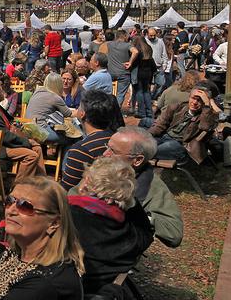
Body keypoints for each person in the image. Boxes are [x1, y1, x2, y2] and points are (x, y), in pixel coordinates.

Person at [69, 158, 153, 295]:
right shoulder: (131, 236)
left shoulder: (64, 215)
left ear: (87, 183)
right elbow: (146, 231)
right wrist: (127, 199)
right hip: (106, 291)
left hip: (67, 290)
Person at [101, 126, 183, 248]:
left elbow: (174, 234)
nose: (105, 154)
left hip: (111, 251)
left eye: (113, 151)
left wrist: (135, 212)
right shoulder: (105, 169)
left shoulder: (152, 187)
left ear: (137, 160)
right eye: (107, 147)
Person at [0, 80, 45, 182]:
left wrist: (15, 125)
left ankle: (40, 182)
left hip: (5, 142)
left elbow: (9, 122)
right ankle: (19, 188)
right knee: (31, 156)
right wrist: (27, 141)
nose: (3, 93)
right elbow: (6, 136)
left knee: (37, 147)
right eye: (0, 91)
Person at [60, 90, 119, 191]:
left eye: (79, 107)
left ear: (82, 114)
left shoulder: (81, 149)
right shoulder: (116, 140)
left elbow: (67, 188)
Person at [147, 85, 219, 163]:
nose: (194, 102)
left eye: (199, 100)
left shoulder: (206, 115)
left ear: (205, 102)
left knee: (151, 151)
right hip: (165, 137)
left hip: (180, 145)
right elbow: (160, 124)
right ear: (189, 97)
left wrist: (207, 106)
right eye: (193, 98)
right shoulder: (178, 107)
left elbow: (205, 127)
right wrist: (147, 136)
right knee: (143, 145)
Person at [25, 73, 74, 143]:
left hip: (28, 128)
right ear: (59, 84)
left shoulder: (37, 92)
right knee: (71, 137)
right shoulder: (55, 97)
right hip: (40, 132)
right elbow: (69, 114)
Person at [124, 36, 156, 127]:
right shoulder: (148, 48)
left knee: (139, 92)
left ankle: (142, 112)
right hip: (148, 72)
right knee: (146, 92)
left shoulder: (137, 50)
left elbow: (133, 62)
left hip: (138, 72)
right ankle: (149, 112)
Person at [103, 31, 133, 108]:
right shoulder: (128, 45)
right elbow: (135, 51)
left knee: (108, 91)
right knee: (120, 94)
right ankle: (116, 110)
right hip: (123, 72)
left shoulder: (109, 44)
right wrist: (130, 62)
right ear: (125, 36)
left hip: (111, 72)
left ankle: (107, 108)